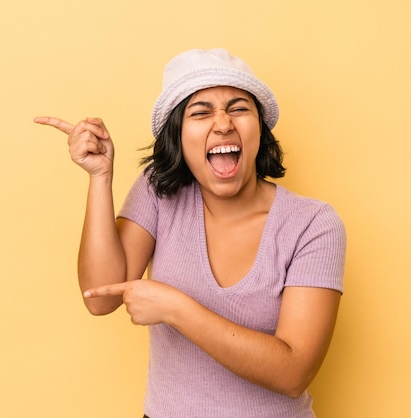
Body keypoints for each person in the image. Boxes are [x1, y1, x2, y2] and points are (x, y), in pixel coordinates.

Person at [34, 48, 346, 418]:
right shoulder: (158, 193)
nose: (223, 123)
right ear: (178, 136)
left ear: (260, 129)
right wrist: (100, 177)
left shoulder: (314, 224)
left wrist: (177, 309)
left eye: (238, 108)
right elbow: (100, 298)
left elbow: (293, 373)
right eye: (200, 112)